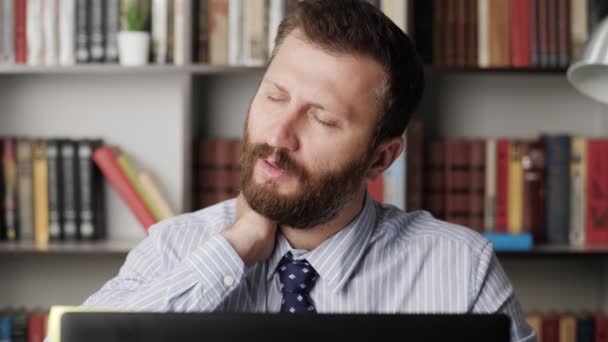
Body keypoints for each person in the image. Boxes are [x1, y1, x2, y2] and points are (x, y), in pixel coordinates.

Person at [82, 1, 536, 341]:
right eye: (275, 97)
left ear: (381, 158)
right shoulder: (175, 248)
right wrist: (233, 249)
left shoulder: (459, 269)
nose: (278, 136)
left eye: (321, 118)